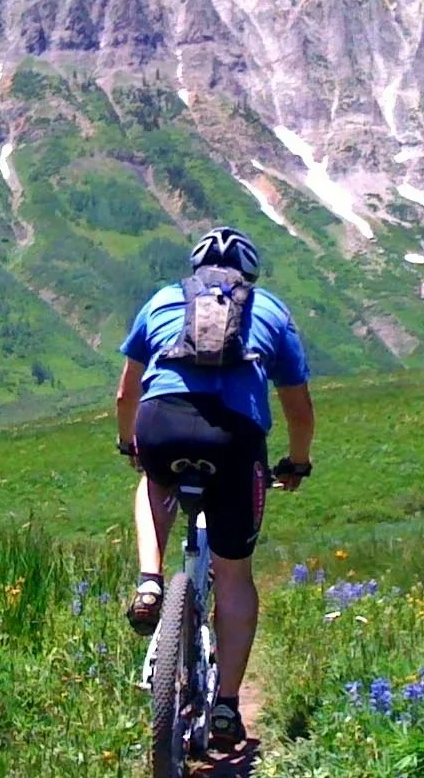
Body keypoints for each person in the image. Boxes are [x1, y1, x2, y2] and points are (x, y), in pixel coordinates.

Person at [115, 227, 315, 750]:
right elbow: (299, 406)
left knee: (150, 477)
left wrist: (128, 442)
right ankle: (226, 705)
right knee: (233, 577)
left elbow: (125, 393)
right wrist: (296, 462)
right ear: (249, 273)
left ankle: (151, 580)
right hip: (234, 442)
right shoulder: (269, 310)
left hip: (162, 423)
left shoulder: (162, 299)